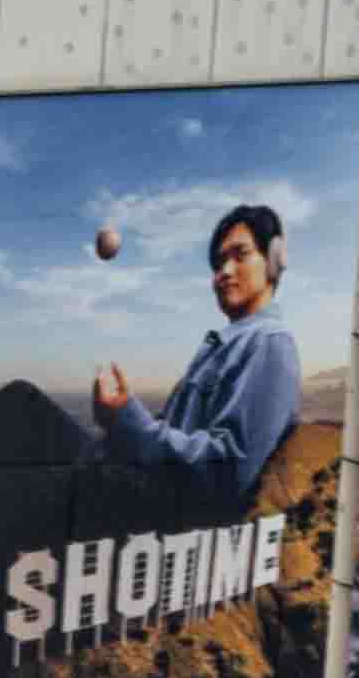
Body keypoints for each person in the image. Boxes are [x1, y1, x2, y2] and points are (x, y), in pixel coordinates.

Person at [84, 202, 299, 519]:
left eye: (240, 255)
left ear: (273, 261)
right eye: (218, 263)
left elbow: (227, 470)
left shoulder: (268, 343)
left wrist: (128, 422)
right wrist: (119, 421)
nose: (224, 272)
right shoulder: (229, 343)